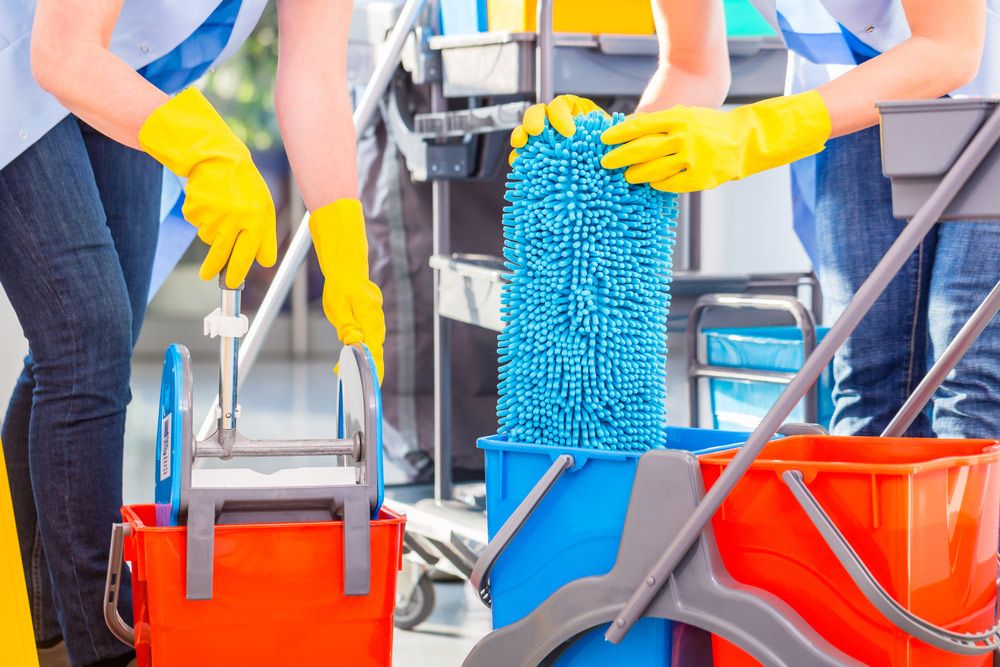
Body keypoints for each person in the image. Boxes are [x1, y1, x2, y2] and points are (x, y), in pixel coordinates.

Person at [0, 1, 385, 665]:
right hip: (26, 47)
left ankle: (43, 627)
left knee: (90, 345)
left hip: (121, 63)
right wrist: (202, 150)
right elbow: (58, 51)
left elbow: (313, 76)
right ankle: (107, 648)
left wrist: (345, 249)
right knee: (86, 330)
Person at [514, 0, 999, 439]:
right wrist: (607, 150)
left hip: (988, 82)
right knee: (870, 372)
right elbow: (690, 66)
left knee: (969, 367)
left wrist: (756, 132)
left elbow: (948, 48)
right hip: (857, 94)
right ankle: (878, 536)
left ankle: (974, 537)